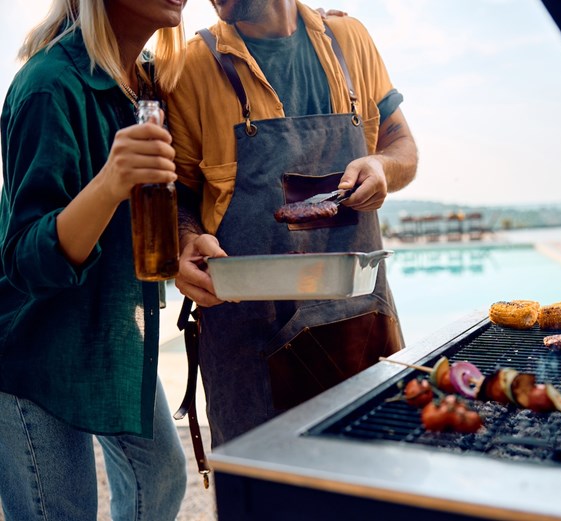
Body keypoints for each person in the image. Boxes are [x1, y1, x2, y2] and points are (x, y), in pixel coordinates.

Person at [166, 0, 419, 447]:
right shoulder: (191, 67)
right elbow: (176, 197)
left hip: (362, 333)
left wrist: (383, 167)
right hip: (248, 351)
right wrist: (184, 239)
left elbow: (402, 146)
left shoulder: (350, 39)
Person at [0, 1, 189, 519]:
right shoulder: (48, 85)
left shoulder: (146, 83)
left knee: (162, 479)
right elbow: (24, 258)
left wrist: (185, 249)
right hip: (29, 342)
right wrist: (109, 183)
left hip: (107, 328)